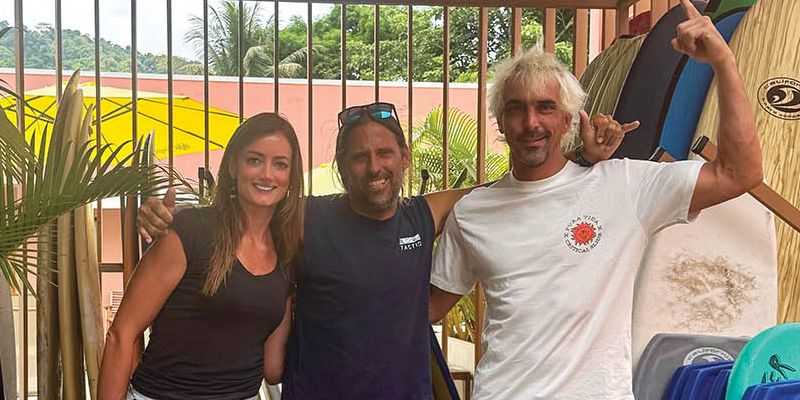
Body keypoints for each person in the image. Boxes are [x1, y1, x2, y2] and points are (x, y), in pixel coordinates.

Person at [136, 103, 635, 398]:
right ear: (341, 165)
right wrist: (166, 217)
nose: (374, 167)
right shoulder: (305, 217)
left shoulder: (424, 214)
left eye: (384, 153)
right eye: (359, 157)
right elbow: (241, 214)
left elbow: (508, 191)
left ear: (404, 158)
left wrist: (579, 156)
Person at [427, 1, 762, 399]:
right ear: (500, 121)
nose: (531, 123)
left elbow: (739, 174)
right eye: (516, 109)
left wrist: (723, 62)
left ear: (568, 119)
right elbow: (429, 309)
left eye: (545, 107)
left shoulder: (624, 186)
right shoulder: (473, 213)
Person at [98, 113, 305, 400]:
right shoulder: (190, 231)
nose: (267, 174)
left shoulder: (287, 255)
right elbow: (121, 334)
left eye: (280, 164)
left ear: (291, 176)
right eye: (254, 160)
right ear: (233, 166)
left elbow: (273, 367)